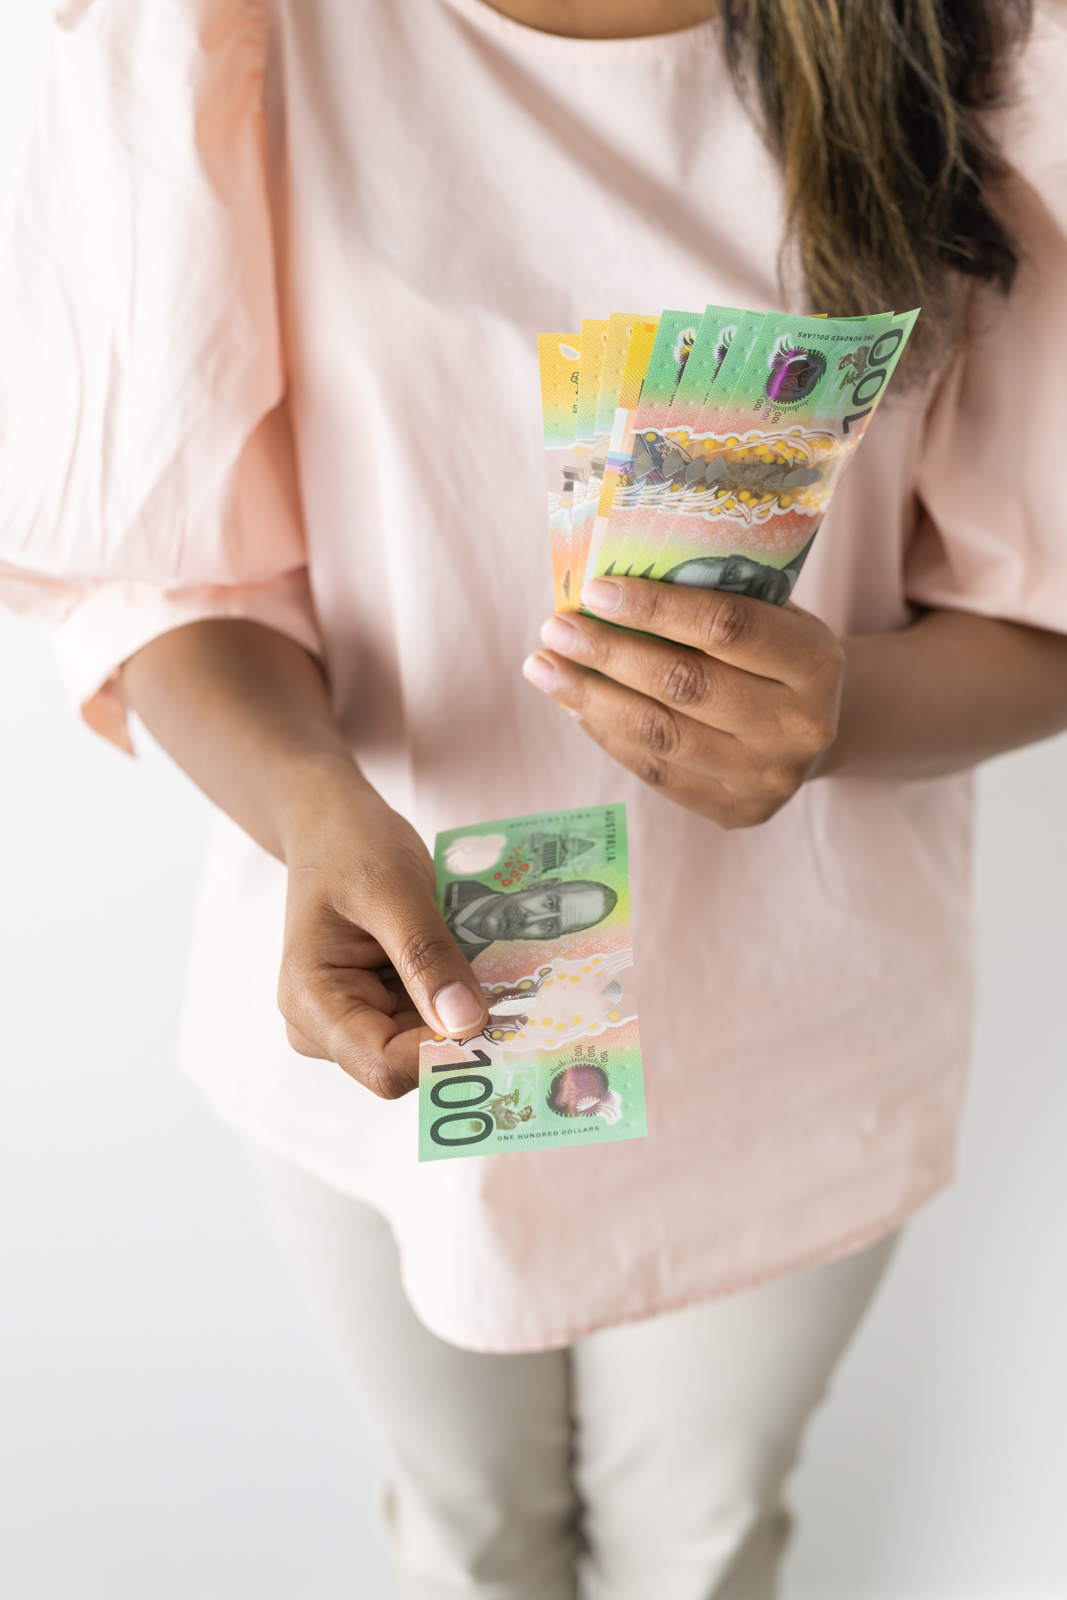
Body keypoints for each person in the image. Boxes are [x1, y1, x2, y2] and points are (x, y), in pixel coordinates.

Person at [1, 1, 1065, 1596]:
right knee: (463, 1537)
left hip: (788, 1023)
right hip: (374, 986)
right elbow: (167, 560)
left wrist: (835, 716)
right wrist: (304, 803)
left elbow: (1040, 603)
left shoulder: (978, 36)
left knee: (699, 1549)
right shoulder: (223, 30)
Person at [444, 875, 618, 960]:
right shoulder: (450, 882)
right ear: (541, 885)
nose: (529, 920)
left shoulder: (463, 965)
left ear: (545, 938)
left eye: (550, 925)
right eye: (549, 904)